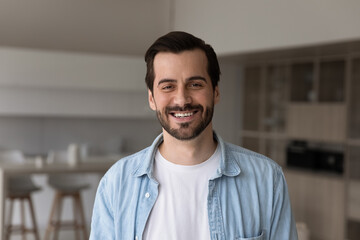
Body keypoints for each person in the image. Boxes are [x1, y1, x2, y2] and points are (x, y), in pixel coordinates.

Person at [90, 31, 298, 240]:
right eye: (168, 86)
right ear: (152, 98)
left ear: (215, 92)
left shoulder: (266, 179)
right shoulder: (116, 183)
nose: (182, 99)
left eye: (195, 84)